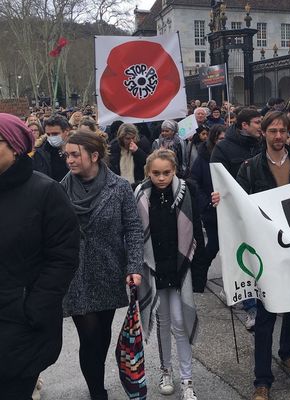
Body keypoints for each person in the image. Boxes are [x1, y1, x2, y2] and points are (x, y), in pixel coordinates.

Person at [212, 111, 290, 400]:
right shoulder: (250, 167)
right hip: (265, 251)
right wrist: (223, 199)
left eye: (283, 131)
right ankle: (262, 379)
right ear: (263, 133)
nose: (278, 136)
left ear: (289, 134)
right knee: (266, 317)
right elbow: (238, 203)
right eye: (273, 131)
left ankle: (288, 353)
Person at [0, 113, 79, 399]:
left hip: (21, 326)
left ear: (15, 147)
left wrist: (32, 307)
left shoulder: (46, 192)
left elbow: (63, 257)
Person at [61, 131, 144, 400]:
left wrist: (134, 267)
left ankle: (96, 378)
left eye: (75, 154)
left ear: (94, 156)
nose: (69, 160)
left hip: (109, 268)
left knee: (103, 332)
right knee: (89, 335)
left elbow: (132, 229)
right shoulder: (61, 188)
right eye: (67, 155)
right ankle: (97, 391)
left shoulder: (119, 187)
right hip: (75, 274)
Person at [135, 149, 203, 400]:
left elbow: (197, 226)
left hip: (179, 268)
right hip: (153, 268)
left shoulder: (188, 190)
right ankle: (166, 369)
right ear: (148, 172)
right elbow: (133, 232)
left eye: (166, 172)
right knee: (162, 320)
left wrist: (200, 271)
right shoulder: (139, 194)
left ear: (174, 170)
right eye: (156, 173)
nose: (161, 177)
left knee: (180, 321)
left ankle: (187, 379)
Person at [210, 108, 263, 329]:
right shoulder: (223, 148)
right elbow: (217, 179)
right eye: (257, 122)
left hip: (260, 209)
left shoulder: (262, 143)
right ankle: (251, 308)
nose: (261, 126)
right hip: (236, 212)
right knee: (244, 259)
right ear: (244, 125)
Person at [189, 124, 226, 292]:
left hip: (229, 211)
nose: (222, 142)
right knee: (214, 245)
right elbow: (195, 181)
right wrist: (206, 202)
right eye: (220, 139)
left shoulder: (228, 155)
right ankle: (199, 274)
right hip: (211, 211)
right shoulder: (203, 156)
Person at [108, 123, 148, 187]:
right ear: (121, 138)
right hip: (120, 186)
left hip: (137, 184)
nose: (131, 141)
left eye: (133, 138)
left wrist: (137, 151)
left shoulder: (142, 143)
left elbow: (148, 163)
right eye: (127, 138)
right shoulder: (113, 146)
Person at [33, 114, 70, 181]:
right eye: (48, 134)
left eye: (55, 134)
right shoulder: (41, 152)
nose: (51, 137)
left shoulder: (78, 148)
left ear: (66, 131)